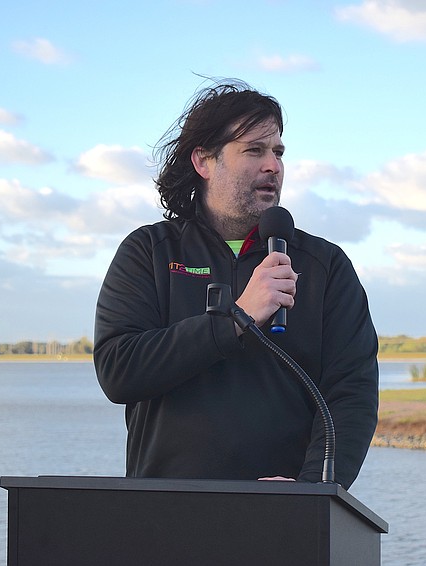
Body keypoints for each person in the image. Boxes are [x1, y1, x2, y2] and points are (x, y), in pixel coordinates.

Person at [93, 79, 378, 488]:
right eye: (254, 150)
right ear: (204, 161)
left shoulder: (324, 266)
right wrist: (235, 320)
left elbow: (352, 395)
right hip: (164, 513)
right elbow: (119, 371)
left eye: (278, 152)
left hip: (285, 514)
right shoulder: (150, 251)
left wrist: (313, 490)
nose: (272, 166)